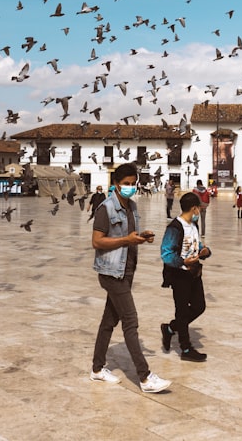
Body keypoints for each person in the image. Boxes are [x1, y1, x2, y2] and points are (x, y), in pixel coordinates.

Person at [90, 163, 170, 394]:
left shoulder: (132, 207)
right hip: (111, 273)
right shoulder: (106, 208)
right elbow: (97, 241)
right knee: (131, 322)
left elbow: (129, 236)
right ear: (115, 184)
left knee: (108, 322)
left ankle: (97, 369)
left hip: (126, 271)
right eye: (125, 184)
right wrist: (127, 240)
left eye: (133, 183)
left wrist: (142, 236)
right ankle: (145, 378)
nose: (130, 187)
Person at [160, 192, 211, 362]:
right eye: (199, 208)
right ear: (194, 208)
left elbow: (197, 245)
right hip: (179, 275)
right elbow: (166, 254)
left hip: (194, 272)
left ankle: (170, 328)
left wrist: (205, 252)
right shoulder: (175, 227)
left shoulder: (193, 225)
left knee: (199, 306)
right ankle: (186, 348)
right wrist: (183, 261)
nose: (200, 211)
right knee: (182, 311)